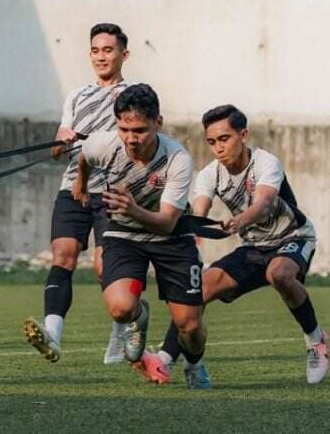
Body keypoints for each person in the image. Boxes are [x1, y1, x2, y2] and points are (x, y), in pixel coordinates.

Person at [135, 104, 327, 386]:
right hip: (253, 248)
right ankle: (165, 360)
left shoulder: (265, 163)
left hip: (293, 238)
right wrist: (179, 223)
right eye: (211, 142)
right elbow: (199, 214)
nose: (218, 148)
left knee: (280, 274)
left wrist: (239, 221)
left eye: (224, 139)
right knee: (198, 291)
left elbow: (264, 202)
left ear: (243, 135)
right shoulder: (209, 174)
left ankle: (317, 342)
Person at [75, 83, 209, 388]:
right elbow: (84, 155)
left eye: (139, 130)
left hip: (172, 239)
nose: (130, 139)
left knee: (189, 326)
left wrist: (132, 208)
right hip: (124, 235)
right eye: (124, 129)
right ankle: (139, 315)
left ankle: (195, 363)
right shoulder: (105, 145)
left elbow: (165, 223)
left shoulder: (177, 159)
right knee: (121, 308)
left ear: (157, 124)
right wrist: (80, 185)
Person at [23, 23, 134, 364]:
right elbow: (57, 151)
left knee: (105, 267)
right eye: (95, 50)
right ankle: (53, 335)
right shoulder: (77, 95)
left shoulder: (134, 94)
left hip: (112, 190)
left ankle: (122, 328)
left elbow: (139, 142)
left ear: (123, 55)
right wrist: (63, 140)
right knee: (63, 256)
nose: (101, 57)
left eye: (108, 50)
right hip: (72, 187)